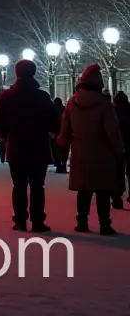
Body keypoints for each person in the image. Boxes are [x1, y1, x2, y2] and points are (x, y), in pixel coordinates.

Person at [0, 57, 60, 232]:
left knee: (19, 186)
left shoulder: (6, 96)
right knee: (38, 186)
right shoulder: (42, 96)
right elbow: (55, 123)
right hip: (38, 148)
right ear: (33, 72)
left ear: (16, 73)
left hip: (16, 148)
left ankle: (20, 220)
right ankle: (38, 221)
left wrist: (8, 137)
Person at [58, 62, 125, 235]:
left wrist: (63, 145)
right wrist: (119, 151)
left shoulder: (72, 103)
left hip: (80, 153)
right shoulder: (104, 105)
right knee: (102, 191)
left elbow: (65, 129)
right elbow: (113, 131)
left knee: (84, 190)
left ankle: (82, 222)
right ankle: (104, 224)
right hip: (103, 154)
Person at [113, 91, 130, 207]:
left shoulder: (113, 111)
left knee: (118, 173)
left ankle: (117, 197)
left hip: (117, 145)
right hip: (129, 144)